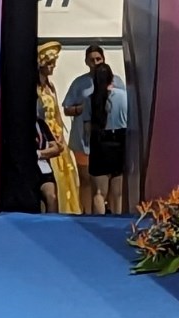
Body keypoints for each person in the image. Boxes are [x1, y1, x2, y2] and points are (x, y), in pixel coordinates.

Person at [62, 45, 125, 215]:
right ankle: (88, 212)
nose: (95, 62)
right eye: (92, 59)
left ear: (103, 59)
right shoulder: (80, 83)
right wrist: (80, 109)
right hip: (90, 140)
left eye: (98, 59)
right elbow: (67, 108)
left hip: (100, 139)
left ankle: (104, 213)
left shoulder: (117, 83)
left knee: (104, 186)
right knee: (88, 180)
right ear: (86, 61)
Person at [36, 42, 80, 214]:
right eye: (51, 63)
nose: (53, 66)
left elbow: (57, 113)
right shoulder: (36, 88)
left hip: (57, 137)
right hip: (44, 137)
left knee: (65, 175)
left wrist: (61, 132)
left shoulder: (51, 85)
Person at [86, 64, 127, 215]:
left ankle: (99, 220)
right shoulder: (123, 95)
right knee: (117, 193)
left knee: (99, 192)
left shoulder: (90, 99)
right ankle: (116, 222)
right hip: (119, 140)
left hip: (99, 141)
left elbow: (87, 128)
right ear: (111, 77)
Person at [35, 115, 62, 213]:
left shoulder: (40, 123)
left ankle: (53, 224)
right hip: (25, 170)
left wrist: (39, 153)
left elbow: (56, 149)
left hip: (43, 166)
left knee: (52, 196)